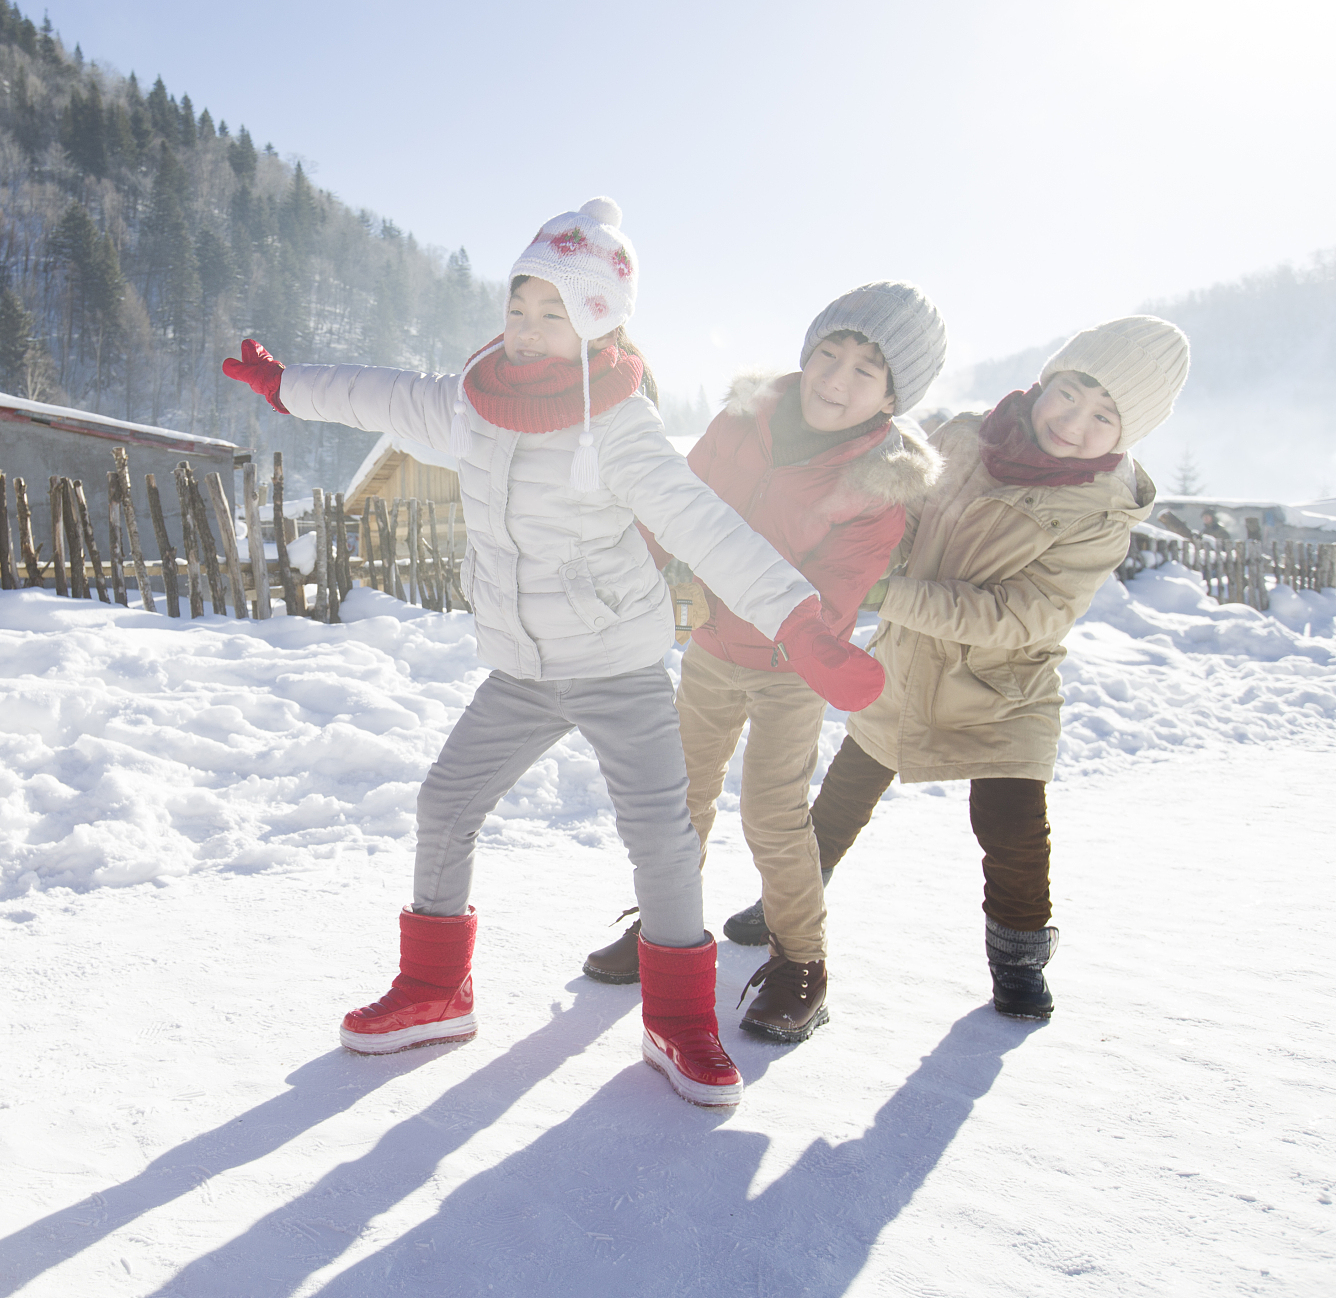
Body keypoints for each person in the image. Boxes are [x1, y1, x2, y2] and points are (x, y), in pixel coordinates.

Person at [222, 199, 885, 1107]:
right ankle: (435, 991)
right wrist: (288, 384)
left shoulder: (620, 425)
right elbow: (382, 393)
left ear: (599, 324)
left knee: (660, 836)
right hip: (523, 669)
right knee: (444, 802)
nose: (528, 330)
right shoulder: (475, 403)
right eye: (519, 307)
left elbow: (709, 528)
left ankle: (680, 1021)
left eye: (555, 314)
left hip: (617, 664)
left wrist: (799, 621)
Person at [581, 284, 945, 1047]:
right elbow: (677, 500)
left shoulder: (880, 485)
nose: (836, 379)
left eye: (866, 371)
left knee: (773, 816)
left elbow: (835, 595)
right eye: (829, 353)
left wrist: (765, 613)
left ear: (891, 396)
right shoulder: (742, 420)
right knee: (679, 798)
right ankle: (665, 930)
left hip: (791, 663)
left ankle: (801, 965)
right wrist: (639, 570)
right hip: (714, 647)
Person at [798, 316, 1189, 1020]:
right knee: (848, 785)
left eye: (1105, 415)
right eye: (1069, 394)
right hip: (910, 657)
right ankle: (788, 899)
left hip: (1004, 684)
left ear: (1126, 436)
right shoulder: (963, 436)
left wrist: (893, 594)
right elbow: (906, 515)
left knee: (1010, 825)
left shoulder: (1101, 512)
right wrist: (870, 562)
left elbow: (1022, 613)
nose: (1075, 421)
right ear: (1045, 382)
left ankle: (1018, 958)